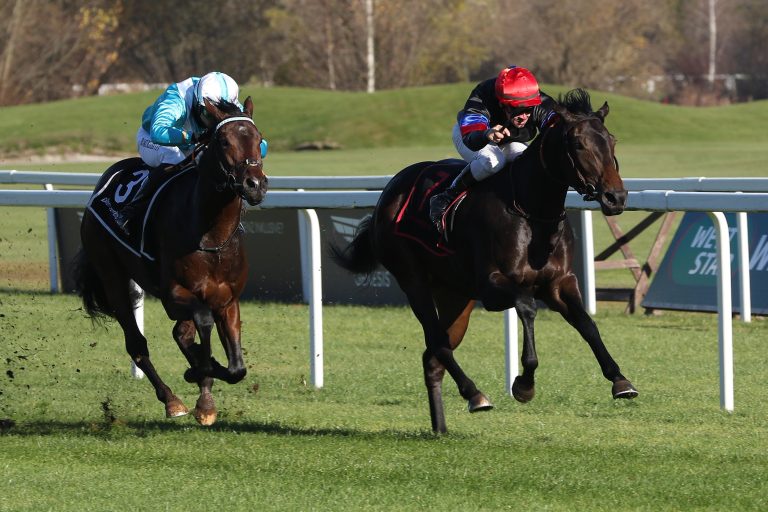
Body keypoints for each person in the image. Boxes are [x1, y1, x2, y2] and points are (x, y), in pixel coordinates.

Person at [117, 71, 260, 235]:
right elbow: (158, 131)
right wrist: (194, 136)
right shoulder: (177, 97)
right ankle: (133, 209)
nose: (216, 120)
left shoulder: (230, 103)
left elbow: (257, 145)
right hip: (153, 139)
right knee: (174, 157)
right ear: (200, 104)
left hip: (193, 140)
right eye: (210, 114)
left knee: (222, 162)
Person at [429, 65, 553, 232]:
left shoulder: (536, 99)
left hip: (508, 139)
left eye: (529, 109)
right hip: (472, 135)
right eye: (518, 109)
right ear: (503, 104)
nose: (524, 116)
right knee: (493, 161)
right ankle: (447, 196)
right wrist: (486, 134)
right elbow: (472, 139)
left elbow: (562, 124)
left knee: (525, 160)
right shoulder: (483, 95)